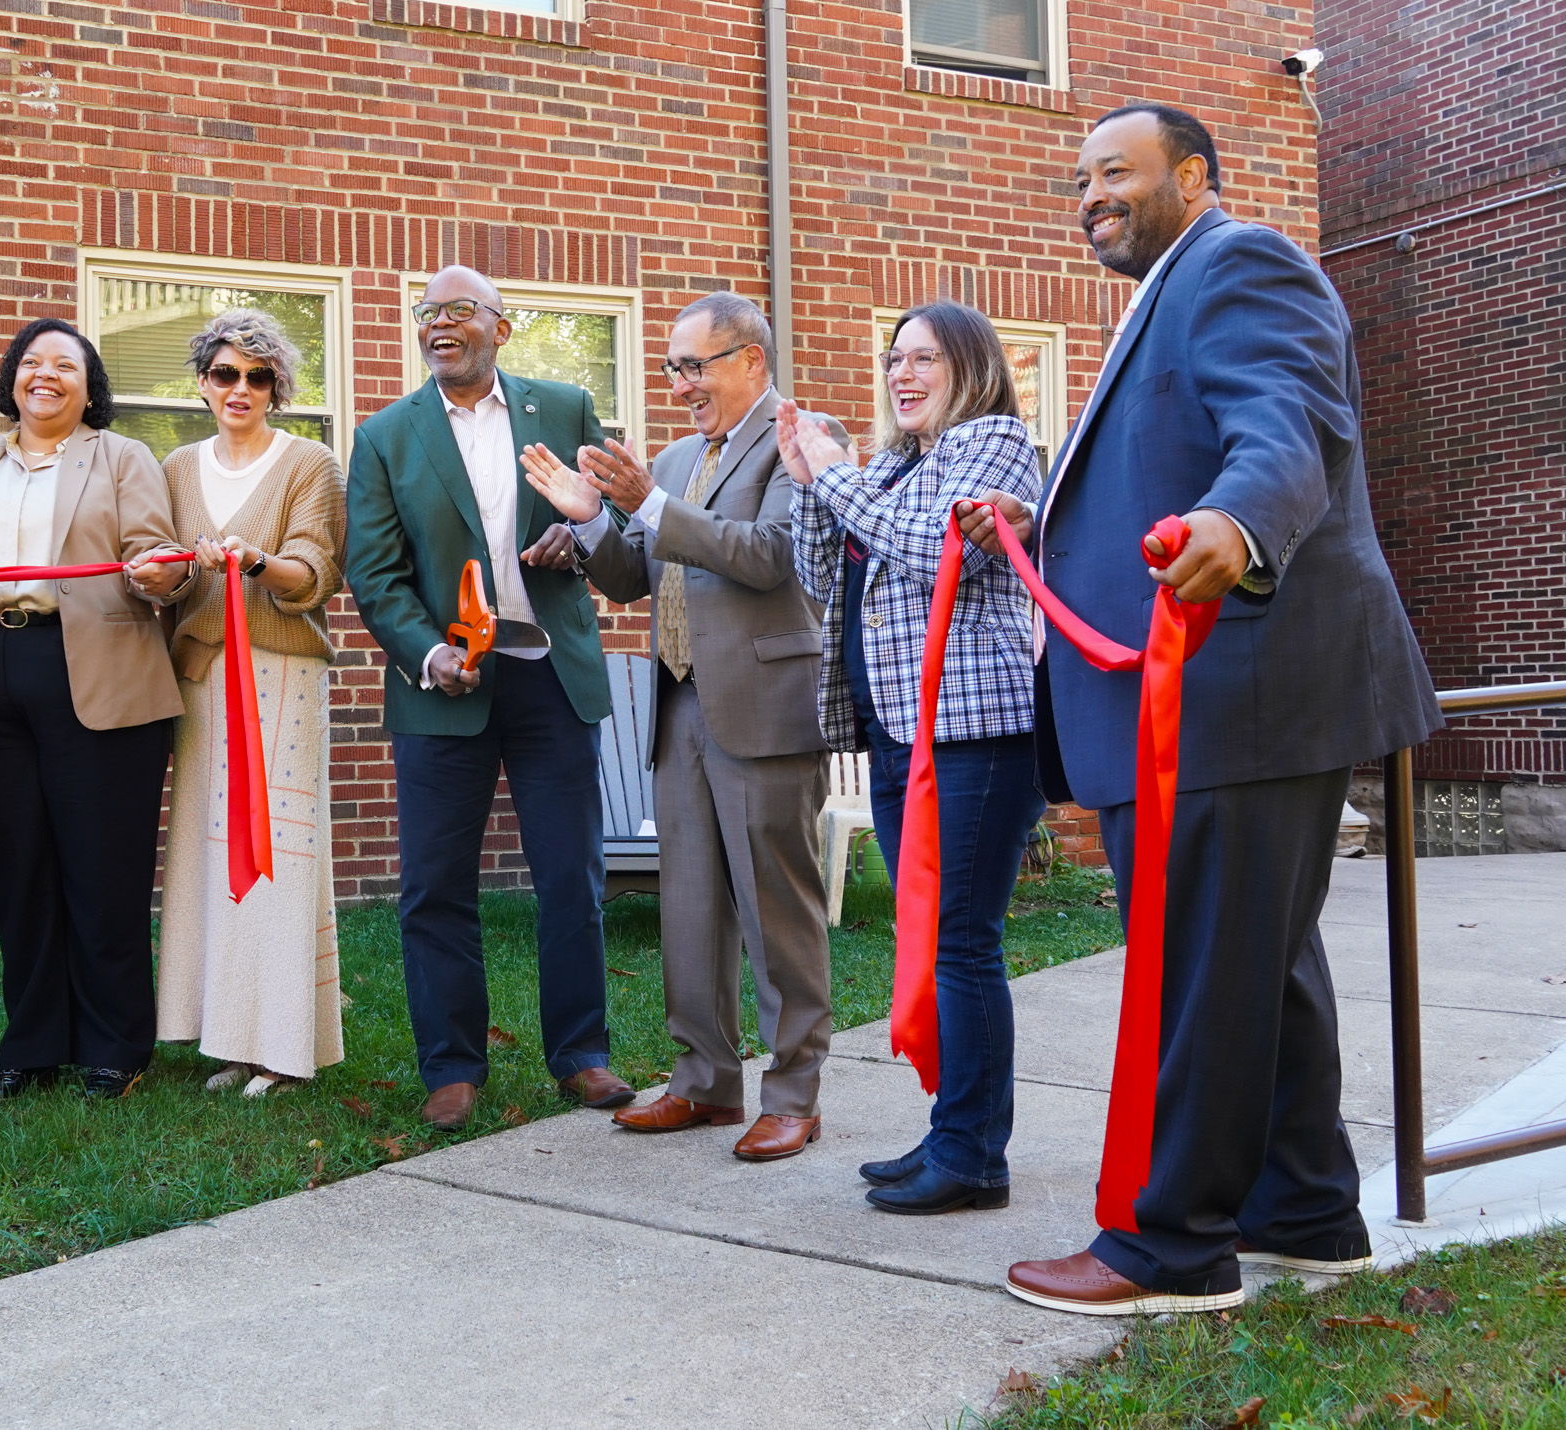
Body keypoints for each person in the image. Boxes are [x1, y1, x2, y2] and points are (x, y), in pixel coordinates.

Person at [953, 103, 1441, 1313]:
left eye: (1112, 173)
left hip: (1233, 687)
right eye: (1077, 181)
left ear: (1193, 175)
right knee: (1252, 964)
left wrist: (1236, 523)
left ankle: (1170, 1247)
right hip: (1215, 700)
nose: (1088, 198)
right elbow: (1160, 454)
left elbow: (1287, 420)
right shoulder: (1162, 292)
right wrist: (1038, 528)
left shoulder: (1240, 261)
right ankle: (1302, 1208)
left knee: (1198, 970)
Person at [520, 292, 834, 1163]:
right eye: (673, 367)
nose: (681, 385)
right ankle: (703, 1082)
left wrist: (650, 504)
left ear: (752, 361)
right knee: (690, 905)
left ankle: (795, 1093)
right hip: (681, 699)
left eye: (695, 366)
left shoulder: (802, 437)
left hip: (764, 705)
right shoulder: (676, 456)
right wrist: (590, 519)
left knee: (778, 910)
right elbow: (633, 578)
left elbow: (774, 556)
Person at [345, 264, 632, 1132]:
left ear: (500, 328)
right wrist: (429, 655)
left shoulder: (565, 406)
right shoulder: (387, 436)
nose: (439, 324)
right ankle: (452, 1065)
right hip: (446, 683)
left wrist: (578, 532)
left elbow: (612, 539)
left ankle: (581, 1054)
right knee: (434, 884)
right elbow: (376, 573)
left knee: (571, 876)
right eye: (427, 313)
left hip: (550, 674)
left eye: (459, 310)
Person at [776, 300, 1046, 1208]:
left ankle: (973, 1156)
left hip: (976, 733)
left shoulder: (997, 441)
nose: (902, 374)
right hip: (899, 732)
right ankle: (951, 1132)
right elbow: (822, 580)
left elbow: (930, 550)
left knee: (963, 942)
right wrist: (810, 482)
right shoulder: (896, 463)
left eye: (923, 358)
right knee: (933, 942)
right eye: (894, 359)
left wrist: (835, 472)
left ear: (967, 367)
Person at [0, 318, 190, 1101]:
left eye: (66, 364)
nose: (47, 375)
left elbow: (154, 553)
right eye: (33, 362)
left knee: (104, 868)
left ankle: (115, 1045)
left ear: (89, 386)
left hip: (97, 673)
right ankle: (30, 1046)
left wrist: (155, 574)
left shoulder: (123, 457)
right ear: (12, 379)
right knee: (17, 866)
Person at [155, 309, 347, 1096]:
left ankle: (283, 1046)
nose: (242, 389)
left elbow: (315, 567)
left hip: (281, 673)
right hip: (203, 677)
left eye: (259, 376)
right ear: (203, 382)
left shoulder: (311, 464)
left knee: (279, 852)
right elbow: (166, 573)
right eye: (227, 373)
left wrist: (258, 562)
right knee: (212, 854)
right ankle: (229, 1038)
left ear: (278, 389)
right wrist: (163, 573)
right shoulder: (174, 471)